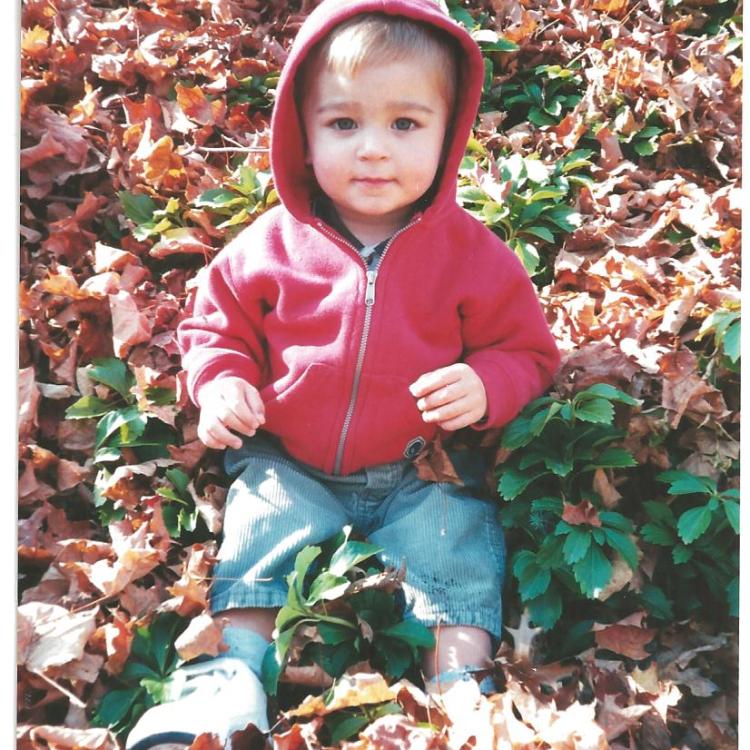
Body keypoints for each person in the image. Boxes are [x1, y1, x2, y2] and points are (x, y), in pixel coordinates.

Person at [126, 0, 560, 747]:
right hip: (289, 458)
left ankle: (464, 692)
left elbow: (527, 351)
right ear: (301, 133)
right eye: (342, 124)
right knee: (260, 532)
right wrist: (221, 380)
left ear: (448, 134)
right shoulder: (270, 245)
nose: (373, 151)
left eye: (405, 124)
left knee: (456, 548)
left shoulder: (472, 255)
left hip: (421, 469)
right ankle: (228, 682)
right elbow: (215, 327)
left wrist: (487, 385)